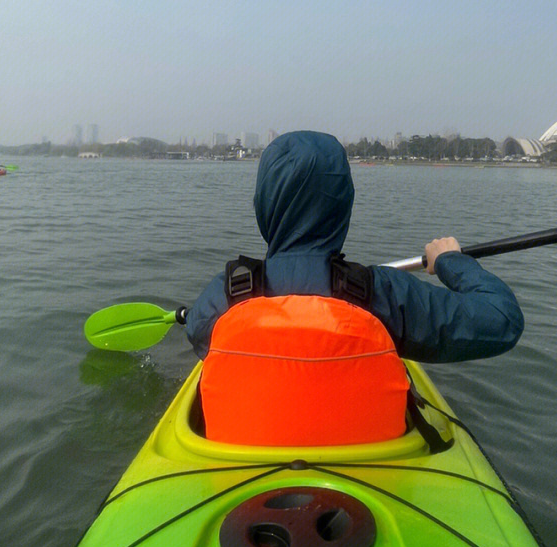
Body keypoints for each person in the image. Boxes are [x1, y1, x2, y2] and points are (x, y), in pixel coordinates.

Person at [186, 130, 524, 444]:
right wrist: (451, 261)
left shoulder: (226, 294)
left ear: (264, 205)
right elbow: (501, 320)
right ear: (343, 203)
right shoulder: (385, 295)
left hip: (238, 468)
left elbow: (197, 331)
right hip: (371, 477)